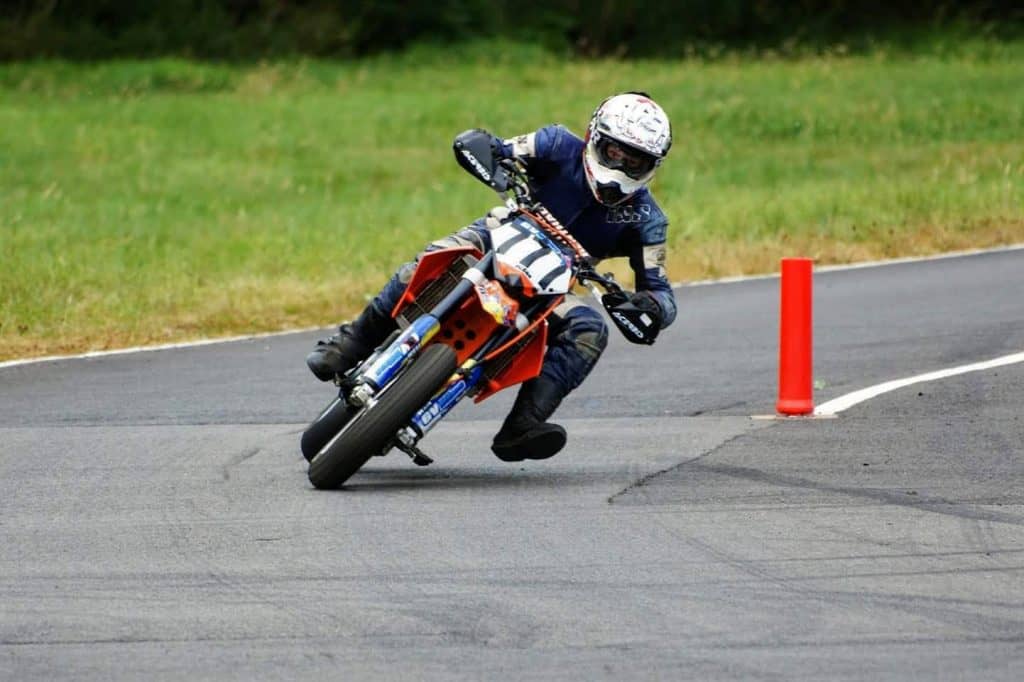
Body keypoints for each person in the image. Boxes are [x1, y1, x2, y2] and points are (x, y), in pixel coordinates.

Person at [306, 92, 676, 462]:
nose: (621, 166)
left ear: (651, 166)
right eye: (614, 153)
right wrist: (489, 153)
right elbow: (497, 149)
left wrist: (648, 305)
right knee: (432, 258)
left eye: (635, 160)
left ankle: (522, 427)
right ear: (594, 137)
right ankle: (349, 345)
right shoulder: (556, 144)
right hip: (493, 238)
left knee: (589, 329)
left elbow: (661, 294)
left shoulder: (647, 219)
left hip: (554, 285)